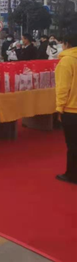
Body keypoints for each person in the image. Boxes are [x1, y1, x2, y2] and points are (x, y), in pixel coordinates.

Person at [54, 34, 77, 185]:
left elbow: (63, 88)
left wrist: (59, 108)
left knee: (73, 145)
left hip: (71, 110)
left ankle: (72, 175)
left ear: (67, 44)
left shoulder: (67, 61)